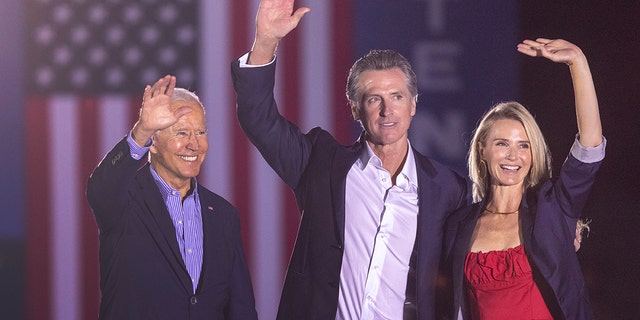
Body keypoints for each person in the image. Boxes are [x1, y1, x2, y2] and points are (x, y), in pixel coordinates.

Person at [231, 0, 468, 319]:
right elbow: (258, 119)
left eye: (397, 97)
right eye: (374, 99)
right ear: (355, 108)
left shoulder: (448, 190)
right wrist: (265, 41)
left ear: (413, 104)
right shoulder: (319, 164)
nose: (388, 111)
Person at [444, 38, 604, 319]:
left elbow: (589, 148)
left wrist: (577, 61)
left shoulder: (552, 209)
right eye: (502, 144)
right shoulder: (459, 224)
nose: (513, 156)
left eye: (523, 145)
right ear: (482, 149)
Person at [86, 75, 258, 319]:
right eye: (182, 133)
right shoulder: (125, 200)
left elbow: (241, 308)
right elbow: (99, 191)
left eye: (200, 132)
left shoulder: (223, 215)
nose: (194, 144)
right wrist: (142, 130)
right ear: (153, 143)